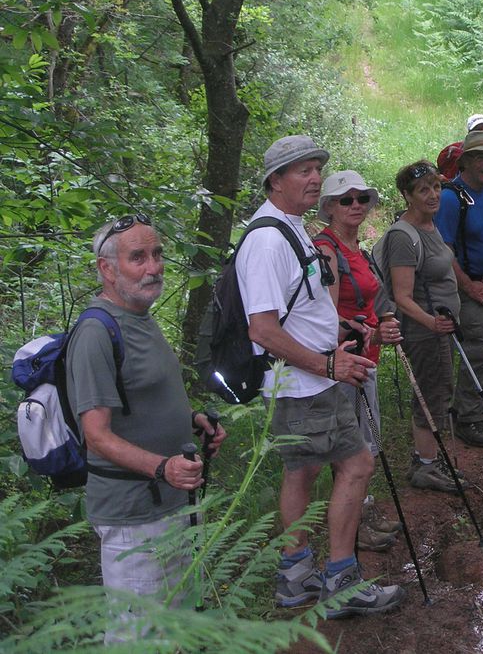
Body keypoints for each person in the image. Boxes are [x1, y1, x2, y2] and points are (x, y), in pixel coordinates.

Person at [236, 134, 404, 618]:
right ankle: (341, 582)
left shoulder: (290, 229)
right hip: (306, 383)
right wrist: (327, 363)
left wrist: (342, 326)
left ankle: (296, 576)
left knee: (302, 471)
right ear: (274, 180)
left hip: (310, 381)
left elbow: (298, 309)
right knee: (356, 466)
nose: (313, 178)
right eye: (302, 171)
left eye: (316, 168)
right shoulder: (268, 239)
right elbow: (262, 329)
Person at [67, 214, 226, 642]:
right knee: (138, 637)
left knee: (172, 629)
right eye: (137, 257)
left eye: (157, 254)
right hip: (133, 516)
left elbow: (144, 397)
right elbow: (96, 435)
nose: (153, 266)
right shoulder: (96, 332)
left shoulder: (141, 316)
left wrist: (193, 421)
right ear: (107, 268)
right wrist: (162, 467)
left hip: (170, 504)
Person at [313, 171, 404, 551]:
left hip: (364, 359)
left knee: (366, 442)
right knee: (353, 450)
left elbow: (367, 305)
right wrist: (360, 333)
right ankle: (353, 529)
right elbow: (325, 318)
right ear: (330, 207)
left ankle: (362, 513)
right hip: (344, 364)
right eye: (345, 200)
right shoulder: (327, 249)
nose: (356, 206)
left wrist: (381, 331)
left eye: (361, 199)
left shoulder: (357, 248)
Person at [378, 161, 462, 493]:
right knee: (432, 392)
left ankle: (430, 461)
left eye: (436, 187)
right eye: (423, 189)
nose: (433, 195)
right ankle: (425, 466)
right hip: (423, 329)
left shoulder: (430, 225)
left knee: (440, 389)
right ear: (407, 195)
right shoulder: (403, 236)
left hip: (438, 326)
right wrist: (432, 322)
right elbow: (402, 296)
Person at [435, 129, 483, 448]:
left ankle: (476, 405)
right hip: (464, 286)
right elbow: (443, 251)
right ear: (465, 161)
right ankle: (467, 416)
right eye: (481, 157)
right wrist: (469, 287)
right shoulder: (451, 198)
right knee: (480, 344)